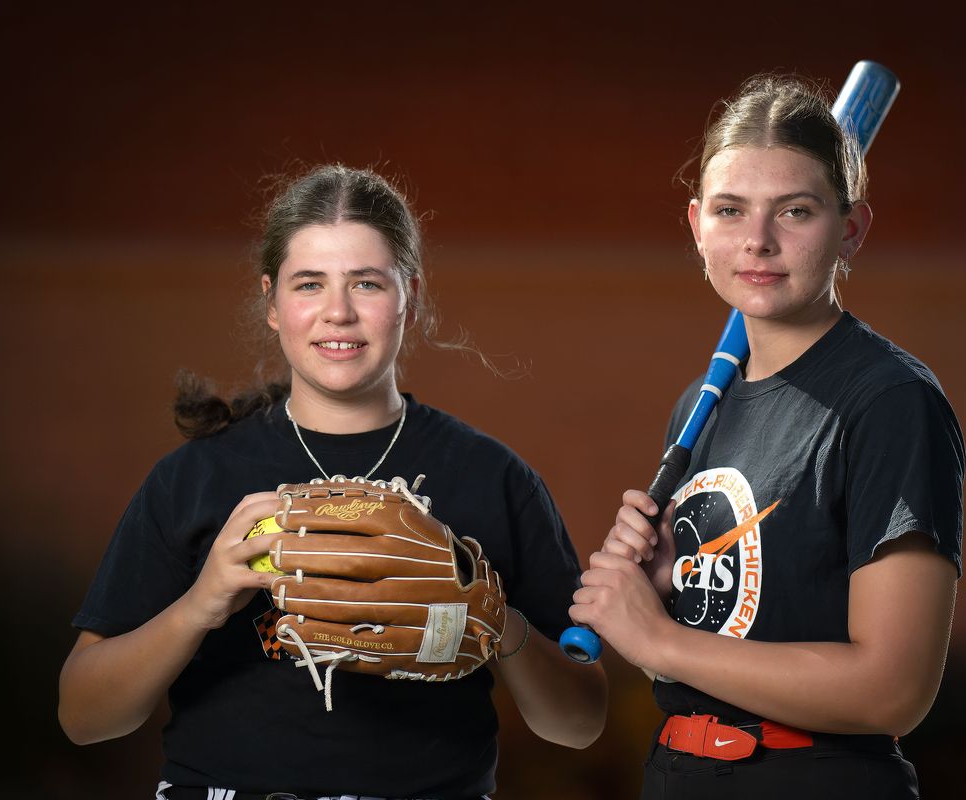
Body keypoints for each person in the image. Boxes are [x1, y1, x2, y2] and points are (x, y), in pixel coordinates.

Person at [59, 164, 607, 800]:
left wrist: (494, 622)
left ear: (412, 296)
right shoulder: (197, 478)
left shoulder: (493, 477)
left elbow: (579, 724)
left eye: (367, 283)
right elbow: (84, 717)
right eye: (309, 284)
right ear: (272, 303)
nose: (338, 312)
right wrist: (200, 605)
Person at [568, 75, 964, 799]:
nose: (758, 240)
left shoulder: (889, 402)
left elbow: (892, 690)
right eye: (730, 210)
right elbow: (714, 650)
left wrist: (660, 639)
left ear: (851, 229)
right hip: (679, 772)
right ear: (696, 226)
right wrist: (659, 598)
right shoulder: (704, 404)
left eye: (796, 211)